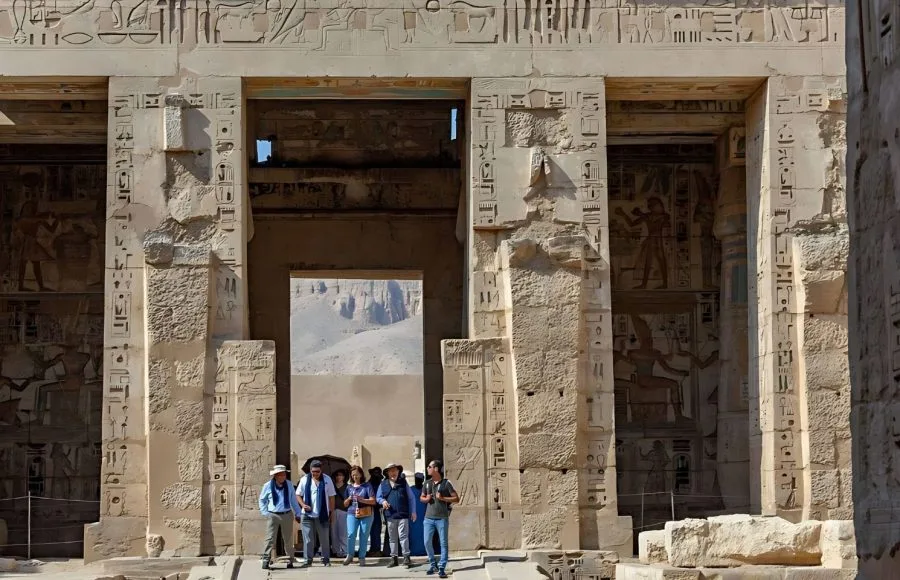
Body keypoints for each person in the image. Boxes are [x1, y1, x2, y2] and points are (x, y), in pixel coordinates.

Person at [257, 464, 303, 570]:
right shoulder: (268, 485)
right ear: (276, 475)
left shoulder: (289, 485)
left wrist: (298, 513)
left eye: (284, 474)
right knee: (270, 539)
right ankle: (266, 559)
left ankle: (290, 559)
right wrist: (265, 512)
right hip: (273, 515)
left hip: (286, 514)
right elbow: (262, 500)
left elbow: (293, 500)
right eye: (280, 475)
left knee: (288, 539)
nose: (283, 477)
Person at [420, 459, 459, 578]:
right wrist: (426, 499)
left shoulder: (446, 483)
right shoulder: (427, 483)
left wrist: (443, 498)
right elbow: (421, 497)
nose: (427, 468)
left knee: (443, 543)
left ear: (436, 469)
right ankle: (433, 564)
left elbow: (456, 499)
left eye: (429, 467)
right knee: (427, 542)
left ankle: (442, 567)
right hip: (428, 518)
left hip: (442, 518)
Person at [296, 459, 336, 567]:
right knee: (308, 539)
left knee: (324, 539)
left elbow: (332, 497)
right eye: (313, 471)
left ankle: (326, 559)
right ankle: (307, 560)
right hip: (307, 514)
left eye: (317, 471)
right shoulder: (304, 479)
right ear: (310, 470)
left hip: (322, 514)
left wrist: (331, 512)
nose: (315, 474)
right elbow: (298, 494)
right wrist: (303, 504)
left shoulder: (327, 479)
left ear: (321, 470)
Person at [376, 462, 417, 568]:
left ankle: (406, 557)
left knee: (403, 536)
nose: (393, 473)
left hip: (403, 514)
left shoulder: (403, 482)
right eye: (391, 471)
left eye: (395, 470)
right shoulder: (383, 484)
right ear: (387, 473)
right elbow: (378, 497)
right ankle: (394, 559)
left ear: (398, 471)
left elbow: (411, 497)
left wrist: (413, 511)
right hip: (390, 515)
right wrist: (383, 501)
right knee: (392, 538)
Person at [343, 465, 376, 567]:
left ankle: (362, 557)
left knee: (364, 535)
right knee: (351, 534)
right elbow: (345, 504)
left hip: (366, 513)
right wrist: (349, 499)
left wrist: (362, 499)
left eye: (357, 474)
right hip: (352, 513)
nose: (355, 477)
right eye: (353, 475)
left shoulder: (367, 486)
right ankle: (350, 555)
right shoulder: (349, 487)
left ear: (361, 474)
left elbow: (373, 501)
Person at [331, 468, 349, 559]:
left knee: (343, 532)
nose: (339, 477)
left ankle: (345, 550)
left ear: (344, 477)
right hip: (333, 510)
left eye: (341, 475)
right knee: (333, 532)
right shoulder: (332, 486)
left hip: (344, 511)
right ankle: (336, 550)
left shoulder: (347, 487)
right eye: (337, 475)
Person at [409, 472, 427, 556]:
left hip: (424, 515)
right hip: (413, 516)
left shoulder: (426, 490)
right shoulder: (410, 490)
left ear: (422, 480)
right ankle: (413, 551)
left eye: (420, 480)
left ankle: (423, 551)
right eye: (417, 480)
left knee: (424, 533)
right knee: (413, 534)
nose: (418, 481)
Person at [367, 466, 384, 556]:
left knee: (376, 529)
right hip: (369, 509)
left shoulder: (380, 484)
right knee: (373, 529)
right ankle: (374, 548)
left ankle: (376, 549)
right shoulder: (369, 484)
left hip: (377, 509)